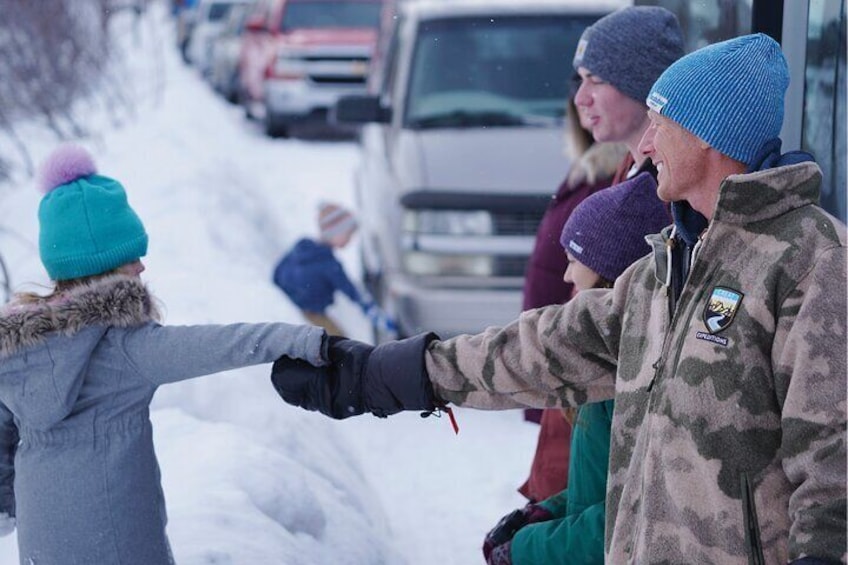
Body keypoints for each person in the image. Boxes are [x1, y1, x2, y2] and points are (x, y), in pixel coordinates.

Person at [272, 34, 847, 564]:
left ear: (707, 135)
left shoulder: (810, 259)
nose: (644, 147)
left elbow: (832, 450)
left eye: (659, 124)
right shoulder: (670, 264)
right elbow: (548, 348)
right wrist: (379, 375)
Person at [0, 145, 327, 565]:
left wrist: (7, 501)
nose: (141, 266)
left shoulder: (17, 349)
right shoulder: (126, 347)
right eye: (130, 256)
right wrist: (303, 341)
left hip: (41, 539)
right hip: (118, 539)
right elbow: (224, 344)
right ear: (101, 264)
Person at [518, 5, 683, 502]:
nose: (580, 98)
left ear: (641, 85)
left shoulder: (662, 197)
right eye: (579, 80)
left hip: (600, 454)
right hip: (576, 428)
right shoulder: (626, 175)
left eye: (597, 80)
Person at [484, 172, 670, 565]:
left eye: (573, 260)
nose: (567, 275)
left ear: (608, 267)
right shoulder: (604, 352)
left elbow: (624, 520)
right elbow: (599, 484)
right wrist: (546, 511)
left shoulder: (626, 375)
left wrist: (526, 548)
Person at [272, 202, 396, 337]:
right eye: (348, 234)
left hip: (293, 304)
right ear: (335, 233)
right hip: (312, 313)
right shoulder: (329, 264)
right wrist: (374, 314)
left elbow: (277, 274)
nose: (350, 239)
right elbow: (353, 292)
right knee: (339, 344)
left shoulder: (301, 247)